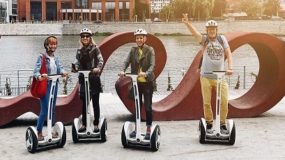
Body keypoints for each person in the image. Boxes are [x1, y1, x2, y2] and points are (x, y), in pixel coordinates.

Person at [182, 14, 233, 134]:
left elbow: (229, 54)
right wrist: (187, 23)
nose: (211, 31)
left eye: (213, 29)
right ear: (207, 31)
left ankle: (222, 124)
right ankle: (209, 123)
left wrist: (230, 67)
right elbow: (195, 34)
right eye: (209, 29)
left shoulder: (222, 39)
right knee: (206, 102)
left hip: (220, 76)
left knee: (224, 101)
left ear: (216, 30)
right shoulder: (204, 40)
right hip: (206, 76)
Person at [118, 28, 155, 140]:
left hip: (147, 83)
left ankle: (148, 129)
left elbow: (153, 65)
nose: (139, 39)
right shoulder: (133, 50)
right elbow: (126, 61)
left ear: (145, 39)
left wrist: (146, 73)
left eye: (141, 37)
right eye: (137, 38)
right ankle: (137, 129)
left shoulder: (150, 50)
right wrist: (122, 70)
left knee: (148, 107)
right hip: (136, 83)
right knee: (137, 107)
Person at [33, 36, 68, 141]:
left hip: (54, 84)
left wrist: (63, 72)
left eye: (55, 44)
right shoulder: (41, 57)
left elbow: (60, 67)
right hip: (45, 85)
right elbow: (36, 71)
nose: (53, 46)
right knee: (45, 110)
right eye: (51, 44)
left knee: (52, 109)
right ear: (47, 45)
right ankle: (38, 130)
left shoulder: (56, 58)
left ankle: (50, 130)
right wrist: (40, 76)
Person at [72, 28, 104, 133]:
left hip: (93, 78)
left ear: (90, 38)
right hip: (83, 78)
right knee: (85, 103)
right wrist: (75, 67)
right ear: (81, 39)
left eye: (87, 36)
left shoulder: (95, 48)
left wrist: (98, 68)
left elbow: (100, 60)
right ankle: (84, 124)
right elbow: (76, 62)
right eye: (83, 37)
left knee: (95, 102)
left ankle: (96, 124)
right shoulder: (79, 50)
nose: (85, 38)